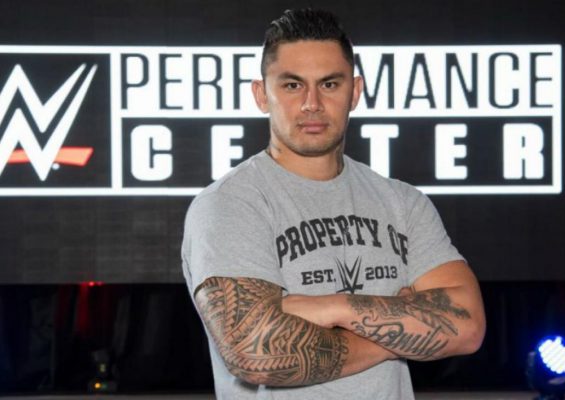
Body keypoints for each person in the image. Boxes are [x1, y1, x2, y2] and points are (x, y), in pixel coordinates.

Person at [182, 8, 485, 400]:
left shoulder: (402, 202)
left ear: (354, 92)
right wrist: (396, 332)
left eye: (329, 84)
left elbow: (467, 326)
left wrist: (331, 307)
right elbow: (255, 351)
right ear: (261, 95)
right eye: (292, 85)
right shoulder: (230, 204)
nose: (312, 103)